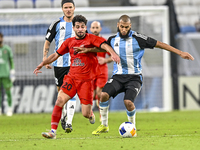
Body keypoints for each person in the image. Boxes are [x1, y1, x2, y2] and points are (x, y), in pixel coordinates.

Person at [76, 15, 194, 136]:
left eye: (126, 27)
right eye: (122, 27)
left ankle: (133, 128)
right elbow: (102, 49)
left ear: (130, 26)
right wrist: (88, 50)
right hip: (118, 76)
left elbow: (159, 44)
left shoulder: (138, 38)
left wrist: (180, 53)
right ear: (118, 25)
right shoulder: (112, 39)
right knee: (104, 95)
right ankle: (104, 125)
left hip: (134, 77)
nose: (124, 30)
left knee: (128, 102)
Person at [33, 15, 120, 139]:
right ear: (73, 28)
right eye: (77, 27)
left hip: (86, 82)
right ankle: (53, 131)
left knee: (85, 113)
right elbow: (56, 55)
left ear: (86, 28)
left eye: (82, 27)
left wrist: (113, 54)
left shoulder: (91, 39)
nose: (80, 29)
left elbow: (104, 45)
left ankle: (90, 115)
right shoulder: (69, 42)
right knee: (59, 100)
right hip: (72, 78)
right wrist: (43, 63)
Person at [42, 0, 77, 133]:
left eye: (70, 7)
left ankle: (69, 122)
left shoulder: (78, 24)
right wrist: (45, 59)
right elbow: (47, 41)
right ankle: (63, 116)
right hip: (59, 64)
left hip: (75, 64)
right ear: (62, 9)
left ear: (74, 8)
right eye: (66, 7)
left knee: (72, 92)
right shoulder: (56, 24)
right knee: (61, 93)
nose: (68, 10)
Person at [90, 21, 112, 121]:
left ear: (100, 29)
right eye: (93, 28)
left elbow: (113, 56)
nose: (95, 30)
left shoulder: (104, 42)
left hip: (101, 70)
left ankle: (101, 115)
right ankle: (91, 113)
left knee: (100, 92)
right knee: (92, 94)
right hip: (90, 70)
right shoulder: (88, 42)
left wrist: (105, 60)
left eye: (96, 28)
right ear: (90, 29)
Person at [0, 32, 15, 116]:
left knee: (8, 91)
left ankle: (9, 109)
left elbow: (11, 61)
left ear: (2, 38)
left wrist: (12, 71)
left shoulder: (7, 49)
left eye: (0, 37)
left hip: (5, 73)